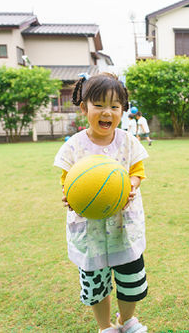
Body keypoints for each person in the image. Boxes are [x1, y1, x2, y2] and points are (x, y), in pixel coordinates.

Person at [54, 73, 148, 333]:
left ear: (123, 111)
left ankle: (126, 320)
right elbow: (68, 181)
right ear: (84, 108)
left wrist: (132, 185)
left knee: (131, 282)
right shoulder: (74, 146)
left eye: (115, 106)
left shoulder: (128, 141)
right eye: (99, 105)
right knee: (96, 285)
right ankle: (105, 326)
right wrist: (70, 195)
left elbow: (138, 171)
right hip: (89, 230)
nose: (107, 112)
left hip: (123, 227)